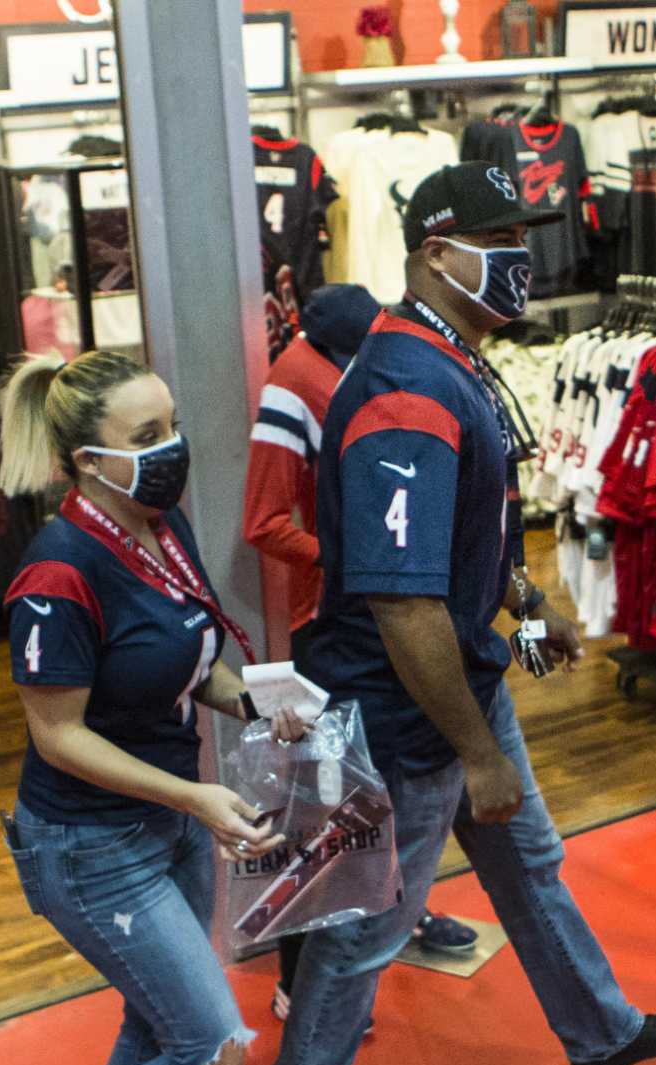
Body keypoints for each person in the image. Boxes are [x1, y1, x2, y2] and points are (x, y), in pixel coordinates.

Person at [257, 163, 656, 1065]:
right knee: (374, 923)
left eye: (523, 234)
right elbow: (400, 599)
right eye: (499, 239)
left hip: (456, 684)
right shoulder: (405, 396)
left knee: (529, 870)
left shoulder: (446, 362)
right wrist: (474, 748)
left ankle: (599, 1033)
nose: (522, 260)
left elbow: (456, 538)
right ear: (432, 254)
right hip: (406, 710)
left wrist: (520, 596)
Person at [0, 348, 305, 1065]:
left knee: (154, 1019)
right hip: (90, 847)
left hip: (164, 827)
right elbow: (58, 736)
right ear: (88, 461)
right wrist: (197, 796)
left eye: (171, 425)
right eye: (145, 438)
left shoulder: (155, 529)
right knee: (212, 1042)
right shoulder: (57, 572)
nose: (172, 449)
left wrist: (261, 704)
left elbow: (190, 659)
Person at [243, 284, 481, 1026]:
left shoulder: (374, 370)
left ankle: (405, 912)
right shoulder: (291, 385)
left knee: (397, 792)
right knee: (326, 812)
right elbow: (263, 520)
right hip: (332, 623)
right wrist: (355, 564)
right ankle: (295, 979)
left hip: (384, 616)